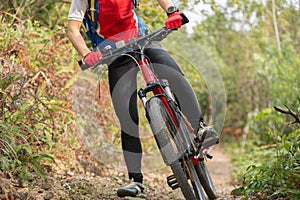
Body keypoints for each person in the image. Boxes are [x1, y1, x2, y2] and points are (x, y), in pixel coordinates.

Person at [67, 0, 209, 198]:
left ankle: (200, 129)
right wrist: (86, 53)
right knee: (127, 118)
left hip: (142, 38)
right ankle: (136, 181)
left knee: (174, 75)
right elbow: (73, 30)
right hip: (114, 53)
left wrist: (172, 12)